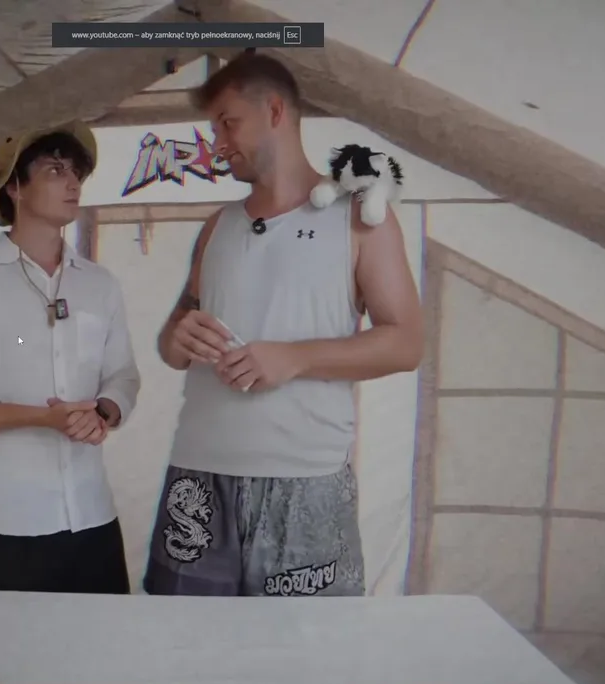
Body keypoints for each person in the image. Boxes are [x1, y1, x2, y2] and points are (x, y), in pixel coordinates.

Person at [143, 54, 424, 597]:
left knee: (304, 648)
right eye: (214, 129)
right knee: (181, 641)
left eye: (228, 123)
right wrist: (176, 337)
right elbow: (173, 343)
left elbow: (406, 343)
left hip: (306, 484)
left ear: (274, 111)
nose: (218, 144)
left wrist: (295, 357)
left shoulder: (358, 217)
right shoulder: (218, 226)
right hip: (195, 479)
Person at [0, 122, 140, 594]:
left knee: (103, 641)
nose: (73, 182)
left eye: (76, 171)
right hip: (6, 525)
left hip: (93, 517)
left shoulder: (99, 285)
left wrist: (102, 412)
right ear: (15, 187)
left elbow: (123, 375)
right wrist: (42, 418)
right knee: (6, 645)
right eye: (55, 170)